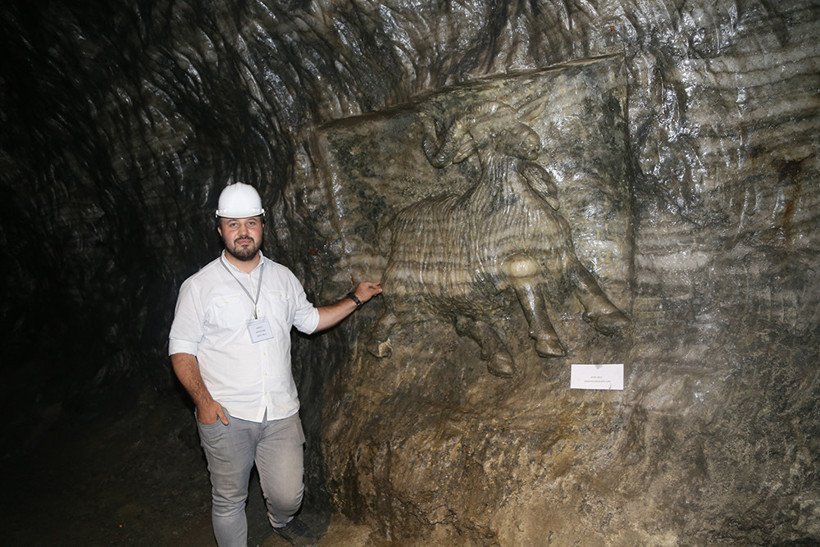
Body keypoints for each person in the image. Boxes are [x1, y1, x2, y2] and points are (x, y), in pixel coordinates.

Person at [169, 182, 382, 546]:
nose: (243, 233)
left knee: (288, 496)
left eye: (250, 223)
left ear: (262, 226)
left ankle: (280, 521)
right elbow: (181, 351)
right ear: (220, 228)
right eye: (233, 225)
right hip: (226, 413)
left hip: (280, 411)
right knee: (229, 499)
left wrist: (355, 299)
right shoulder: (199, 286)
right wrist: (203, 402)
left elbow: (311, 321)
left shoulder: (282, 277)